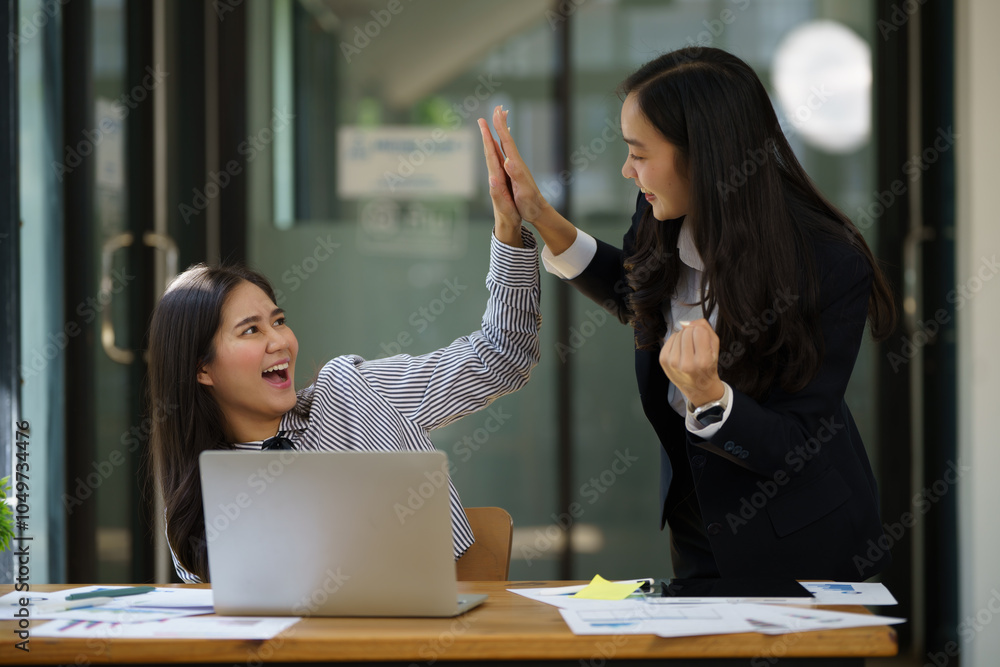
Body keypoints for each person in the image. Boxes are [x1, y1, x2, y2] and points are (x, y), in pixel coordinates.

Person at [479, 46, 896, 581]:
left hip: (805, 550)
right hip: (699, 532)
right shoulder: (660, 213)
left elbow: (794, 444)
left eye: (640, 152)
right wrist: (538, 215)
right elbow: (640, 296)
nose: (627, 169)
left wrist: (711, 398)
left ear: (705, 155)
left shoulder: (829, 263)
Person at [148, 166, 539, 583]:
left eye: (278, 322)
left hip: (429, 635)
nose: (279, 341)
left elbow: (503, 356)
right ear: (202, 369)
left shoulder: (353, 391)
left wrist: (508, 230)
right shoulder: (200, 495)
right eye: (251, 330)